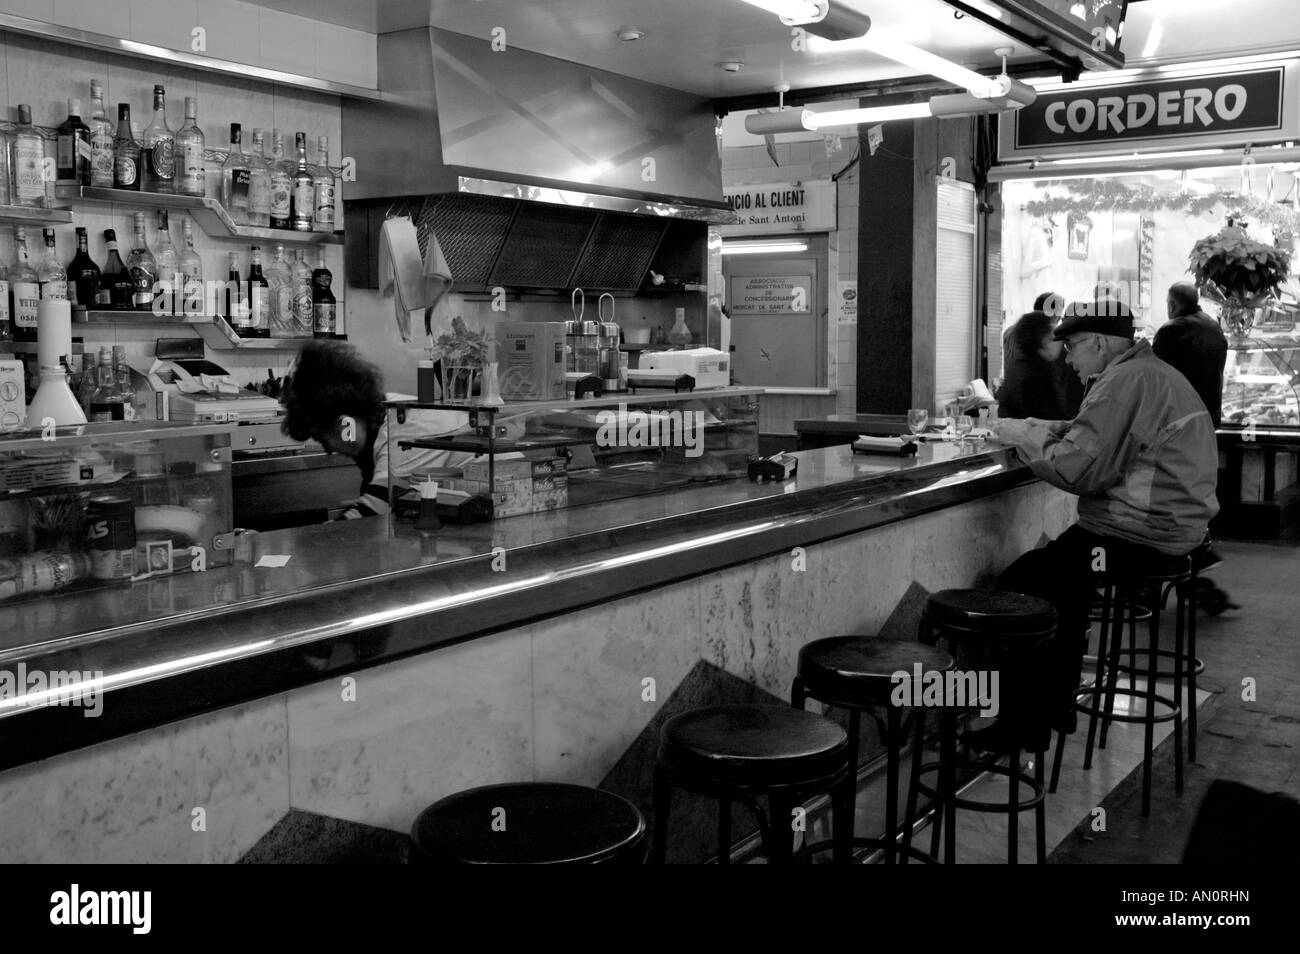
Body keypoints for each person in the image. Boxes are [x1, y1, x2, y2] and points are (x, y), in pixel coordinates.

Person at [979, 301, 1220, 753]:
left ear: (1097, 343)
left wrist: (1021, 436)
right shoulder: (1145, 372)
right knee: (1062, 583)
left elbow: (1079, 469)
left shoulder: (1124, 382)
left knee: (1021, 585)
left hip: (1140, 534)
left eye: (1071, 347)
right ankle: (1054, 704)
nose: (1068, 358)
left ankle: (1022, 725)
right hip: (1174, 530)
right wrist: (1036, 426)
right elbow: (1095, 433)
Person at [279, 340, 473, 519]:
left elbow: (375, 511)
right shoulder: (379, 414)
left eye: (323, 439)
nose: (330, 449)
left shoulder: (406, 427)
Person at [1154, 282, 1228, 427]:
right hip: (1210, 419)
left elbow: (1154, 376)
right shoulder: (1215, 327)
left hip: (1179, 421)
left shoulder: (1170, 330)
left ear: (1172, 305)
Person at [996, 310, 1072, 420]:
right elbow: (1050, 416)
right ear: (1042, 339)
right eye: (1051, 336)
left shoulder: (1019, 365)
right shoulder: (1036, 373)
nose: (1058, 341)